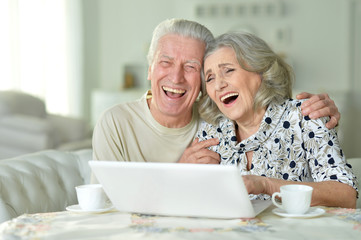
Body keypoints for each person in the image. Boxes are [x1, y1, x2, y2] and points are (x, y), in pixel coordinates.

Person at [92, 18, 341, 167]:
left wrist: (317, 110)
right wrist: (180, 174)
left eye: (191, 67)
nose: (176, 77)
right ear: (150, 69)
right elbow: (105, 209)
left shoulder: (220, 121)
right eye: (165, 62)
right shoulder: (115, 123)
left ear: (202, 82)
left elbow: (267, 110)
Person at [196, 31, 357, 208]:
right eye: (210, 78)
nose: (218, 85)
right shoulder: (209, 133)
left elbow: (346, 194)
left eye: (228, 70)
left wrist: (266, 185)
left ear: (261, 72)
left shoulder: (305, 116)